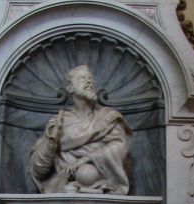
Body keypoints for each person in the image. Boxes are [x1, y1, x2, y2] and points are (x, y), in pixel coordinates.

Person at [30, 65, 131, 194]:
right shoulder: (60, 122)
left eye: (90, 79)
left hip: (102, 180)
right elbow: (39, 169)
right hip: (66, 183)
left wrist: (85, 159)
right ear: (70, 88)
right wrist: (51, 141)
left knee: (85, 173)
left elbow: (120, 148)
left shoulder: (108, 117)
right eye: (82, 78)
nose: (88, 82)